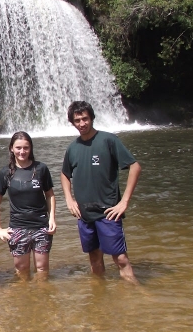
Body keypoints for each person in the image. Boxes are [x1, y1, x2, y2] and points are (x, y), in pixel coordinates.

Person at [60, 101, 141, 283]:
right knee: (94, 259)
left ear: (92, 118)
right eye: (77, 120)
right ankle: (99, 302)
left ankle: (138, 298)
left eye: (85, 119)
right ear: (72, 123)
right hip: (84, 214)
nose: (82, 124)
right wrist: (69, 200)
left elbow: (135, 167)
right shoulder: (72, 148)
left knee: (120, 259)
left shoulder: (108, 140)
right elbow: (65, 174)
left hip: (108, 212)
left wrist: (124, 202)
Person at [0, 131, 57, 279]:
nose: (22, 151)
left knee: (42, 269)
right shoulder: (6, 173)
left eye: (26, 148)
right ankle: (24, 300)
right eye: (18, 148)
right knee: (21, 271)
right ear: (11, 148)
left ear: (31, 148)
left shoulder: (41, 169)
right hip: (17, 228)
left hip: (41, 227)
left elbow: (50, 195)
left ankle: (41, 299)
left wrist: (52, 218)